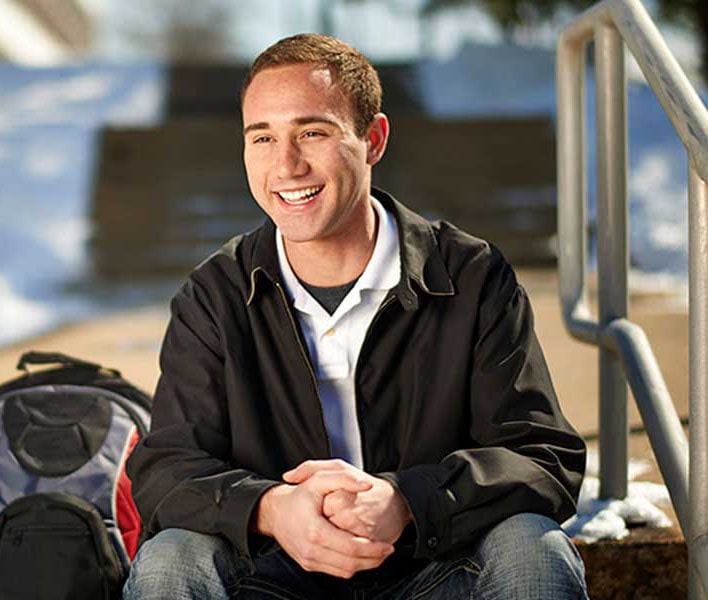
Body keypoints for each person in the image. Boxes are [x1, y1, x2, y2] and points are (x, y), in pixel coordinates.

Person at [124, 33, 588, 599]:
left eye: (312, 132)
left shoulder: (471, 277)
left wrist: (407, 501)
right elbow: (166, 468)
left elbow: (541, 455)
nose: (286, 164)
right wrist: (272, 509)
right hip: (275, 577)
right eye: (263, 137)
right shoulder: (214, 295)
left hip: (436, 566)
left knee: (531, 548)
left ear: (373, 139)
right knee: (171, 558)